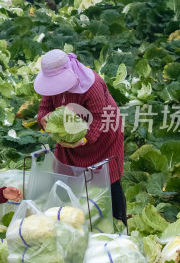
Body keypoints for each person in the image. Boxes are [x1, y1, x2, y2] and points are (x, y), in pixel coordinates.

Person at [34, 49, 127, 225]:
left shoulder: (91, 85)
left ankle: (118, 222)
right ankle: (71, 221)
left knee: (108, 179)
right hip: (69, 138)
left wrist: (83, 140)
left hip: (103, 138)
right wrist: (44, 120)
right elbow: (44, 108)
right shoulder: (51, 86)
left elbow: (100, 118)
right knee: (67, 179)